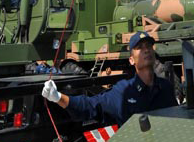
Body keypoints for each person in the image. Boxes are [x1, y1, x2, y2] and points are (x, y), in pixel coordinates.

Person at [42, 32, 177, 126]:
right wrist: (58, 97)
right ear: (131, 60)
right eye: (139, 48)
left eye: (148, 46)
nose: (146, 50)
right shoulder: (123, 92)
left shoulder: (166, 88)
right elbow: (91, 105)